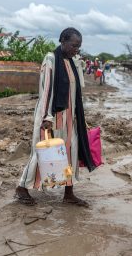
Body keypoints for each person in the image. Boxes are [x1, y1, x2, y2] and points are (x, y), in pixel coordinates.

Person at [16, 27, 95, 206]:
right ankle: (22, 187)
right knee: (43, 153)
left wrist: (79, 119)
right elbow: (46, 90)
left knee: (70, 153)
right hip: (52, 117)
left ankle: (69, 192)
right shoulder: (51, 59)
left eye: (79, 47)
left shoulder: (73, 62)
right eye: (74, 45)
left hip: (70, 118)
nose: (76, 49)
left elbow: (76, 92)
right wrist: (46, 117)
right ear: (62, 41)